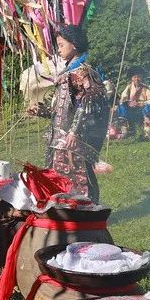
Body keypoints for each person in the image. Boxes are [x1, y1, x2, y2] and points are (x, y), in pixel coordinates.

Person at [45, 24, 108, 202]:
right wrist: (40, 111)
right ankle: (67, 210)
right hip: (60, 137)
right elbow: (64, 107)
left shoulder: (83, 72)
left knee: (79, 173)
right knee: (59, 175)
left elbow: (88, 102)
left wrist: (74, 131)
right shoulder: (68, 72)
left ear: (74, 45)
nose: (58, 50)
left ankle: (89, 211)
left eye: (61, 45)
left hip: (74, 137)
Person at [117, 69, 150, 139]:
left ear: (141, 77)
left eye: (139, 77)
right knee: (121, 107)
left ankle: (147, 134)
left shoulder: (147, 87)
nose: (137, 79)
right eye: (135, 77)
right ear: (132, 79)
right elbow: (123, 98)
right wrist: (127, 102)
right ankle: (124, 132)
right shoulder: (129, 87)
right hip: (131, 112)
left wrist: (141, 104)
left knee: (148, 107)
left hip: (142, 111)